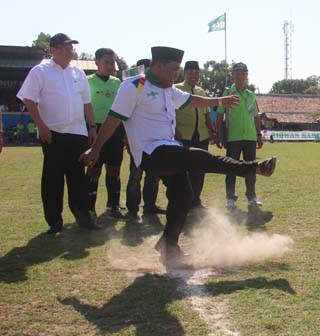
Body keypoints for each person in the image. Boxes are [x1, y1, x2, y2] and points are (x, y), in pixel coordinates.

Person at [80, 46, 277, 267]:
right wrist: (95, 149)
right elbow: (113, 119)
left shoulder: (169, 89)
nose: (176, 75)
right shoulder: (135, 86)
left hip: (168, 148)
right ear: (159, 65)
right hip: (149, 152)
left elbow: (192, 100)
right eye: (173, 70)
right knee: (198, 158)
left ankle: (168, 245)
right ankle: (253, 167)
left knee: (183, 196)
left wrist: (219, 101)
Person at [16, 33, 99, 234]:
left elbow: (86, 102)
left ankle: (82, 216)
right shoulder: (40, 71)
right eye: (66, 47)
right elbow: (28, 99)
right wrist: (41, 126)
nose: (71, 51)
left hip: (78, 132)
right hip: (53, 132)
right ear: (53, 50)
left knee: (78, 177)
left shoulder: (78, 74)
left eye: (72, 48)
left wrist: (92, 127)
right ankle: (54, 221)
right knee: (53, 178)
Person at [215, 62, 265, 212]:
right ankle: (230, 198)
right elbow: (219, 114)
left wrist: (258, 134)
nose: (240, 75)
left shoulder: (250, 95)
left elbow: (255, 116)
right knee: (231, 168)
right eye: (237, 73)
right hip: (233, 137)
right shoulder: (227, 93)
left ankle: (252, 197)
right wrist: (218, 133)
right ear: (233, 74)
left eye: (243, 73)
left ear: (247, 75)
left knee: (251, 168)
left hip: (250, 137)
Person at [86, 48, 128, 219]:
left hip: (115, 130)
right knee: (93, 169)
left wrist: (125, 133)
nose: (110, 65)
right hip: (95, 129)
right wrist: (90, 128)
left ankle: (113, 206)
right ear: (97, 62)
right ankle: (89, 208)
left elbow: (124, 109)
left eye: (112, 62)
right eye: (106, 62)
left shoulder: (117, 83)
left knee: (114, 169)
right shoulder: (87, 81)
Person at [124, 58, 165, 219]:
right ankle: (132, 208)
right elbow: (125, 115)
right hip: (138, 141)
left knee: (153, 176)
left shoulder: (159, 88)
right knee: (135, 175)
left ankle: (150, 205)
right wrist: (127, 138)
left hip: (155, 142)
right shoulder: (136, 86)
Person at [174, 61, 217, 209]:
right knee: (184, 170)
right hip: (183, 136)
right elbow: (170, 113)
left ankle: (196, 200)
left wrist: (212, 131)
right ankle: (184, 200)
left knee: (200, 168)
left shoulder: (201, 91)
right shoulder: (176, 89)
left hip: (201, 136)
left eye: (196, 73)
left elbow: (206, 115)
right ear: (184, 73)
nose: (194, 76)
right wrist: (174, 130)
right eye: (190, 73)